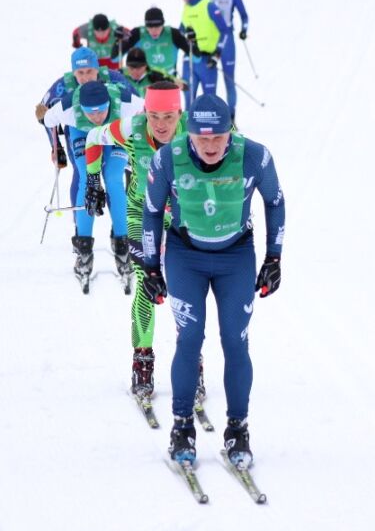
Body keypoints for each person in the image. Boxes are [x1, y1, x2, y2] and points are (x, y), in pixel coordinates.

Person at [141, 94, 285, 468]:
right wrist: (150, 268)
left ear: (229, 132)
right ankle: (182, 427)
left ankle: (238, 428)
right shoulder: (168, 159)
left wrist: (274, 257)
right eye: (201, 139)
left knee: (235, 341)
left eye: (217, 138)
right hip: (185, 255)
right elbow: (153, 211)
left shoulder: (255, 156)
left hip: (235, 256)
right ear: (189, 134)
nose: (209, 146)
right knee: (189, 339)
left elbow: (275, 200)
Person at [83, 81, 197, 405]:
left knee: (184, 289)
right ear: (144, 112)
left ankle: (192, 363)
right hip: (140, 213)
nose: (161, 124)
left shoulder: (195, 128)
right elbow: (93, 137)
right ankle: (142, 362)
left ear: (180, 113)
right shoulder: (131, 128)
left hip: (183, 218)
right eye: (154, 116)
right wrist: (93, 178)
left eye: (169, 116)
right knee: (149, 286)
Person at [43, 77, 143, 292]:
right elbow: (48, 120)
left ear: (109, 104)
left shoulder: (126, 102)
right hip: (83, 133)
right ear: (81, 108)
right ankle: (84, 250)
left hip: (116, 130)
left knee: (114, 178)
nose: (96, 117)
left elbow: (148, 112)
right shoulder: (68, 107)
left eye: (101, 111)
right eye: (91, 112)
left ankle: (123, 246)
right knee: (87, 180)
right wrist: (56, 147)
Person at [202, 0, 249, 126]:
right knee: (210, 82)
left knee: (229, 79)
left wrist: (244, 30)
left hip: (227, 38)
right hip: (210, 41)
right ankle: (213, 117)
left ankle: (231, 117)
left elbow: (244, 16)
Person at [176, 0, 230, 107]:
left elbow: (224, 31)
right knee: (188, 98)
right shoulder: (186, 8)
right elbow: (180, 31)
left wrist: (217, 54)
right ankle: (188, 126)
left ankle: (213, 126)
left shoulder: (208, 5)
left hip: (207, 60)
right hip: (189, 59)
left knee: (209, 99)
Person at [112, 7, 190, 77]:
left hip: (169, 80)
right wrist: (118, 41)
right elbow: (115, 58)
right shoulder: (137, 33)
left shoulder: (173, 34)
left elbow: (196, 58)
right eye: (150, 27)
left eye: (157, 26)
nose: (153, 30)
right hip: (146, 81)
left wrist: (192, 42)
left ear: (163, 24)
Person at [121, 48, 187, 96]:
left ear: (145, 65)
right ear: (126, 66)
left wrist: (164, 84)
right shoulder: (119, 75)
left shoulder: (156, 73)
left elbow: (185, 86)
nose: (135, 72)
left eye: (139, 68)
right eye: (131, 68)